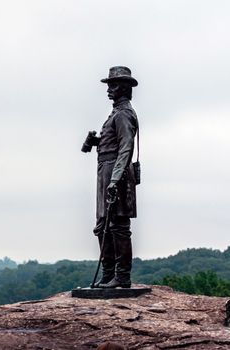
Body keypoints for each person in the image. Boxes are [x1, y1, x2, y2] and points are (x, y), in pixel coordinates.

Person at [82, 66, 139, 288]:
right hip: (105, 171)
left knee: (117, 225)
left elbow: (126, 147)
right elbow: (114, 143)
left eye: (113, 85)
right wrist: (95, 142)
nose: (109, 90)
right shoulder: (115, 114)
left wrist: (115, 179)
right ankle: (107, 274)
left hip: (117, 172)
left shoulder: (124, 114)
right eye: (108, 85)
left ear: (124, 88)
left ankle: (122, 276)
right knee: (102, 225)